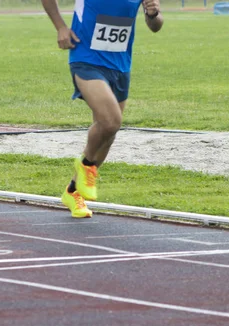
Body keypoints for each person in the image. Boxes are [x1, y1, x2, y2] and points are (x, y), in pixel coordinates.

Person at [42, 0, 164, 218]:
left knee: (108, 133)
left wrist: (153, 14)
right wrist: (60, 26)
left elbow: (155, 26)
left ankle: (73, 191)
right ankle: (86, 165)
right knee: (111, 121)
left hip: (120, 64)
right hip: (86, 58)